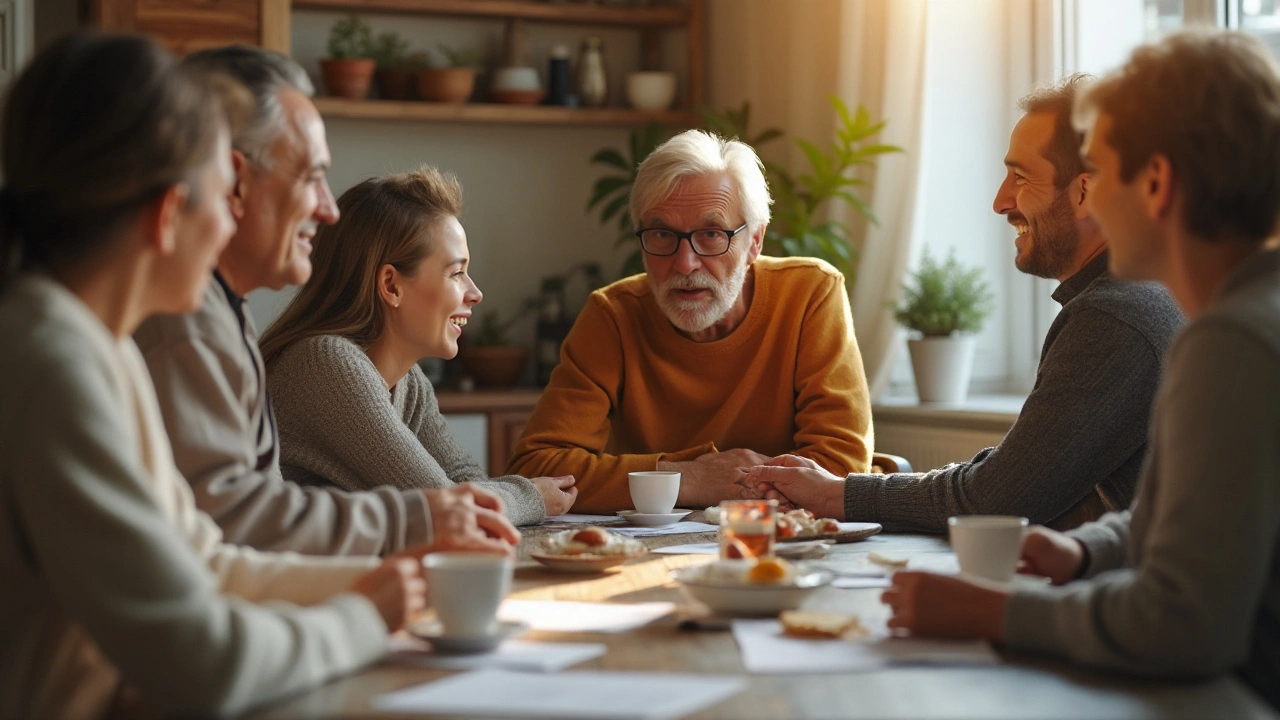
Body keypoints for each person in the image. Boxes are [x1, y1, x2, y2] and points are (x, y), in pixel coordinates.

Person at [0, 33, 429, 718]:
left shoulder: (96, 345)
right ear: (170, 213)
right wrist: (364, 615)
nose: (230, 218)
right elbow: (205, 663)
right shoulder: (53, 361)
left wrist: (391, 581)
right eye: (223, 195)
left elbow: (205, 561)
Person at [882, 31, 1280, 708]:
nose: (1088, 195)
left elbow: (1182, 625)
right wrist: (1089, 552)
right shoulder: (1245, 315)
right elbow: (1196, 514)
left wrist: (992, 614)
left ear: (1155, 183)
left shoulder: (1233, 342)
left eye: (1098, 170)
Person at [745, 76, 1182, 532]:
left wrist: (837, 493)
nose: (999, 201)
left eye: (1021, 176)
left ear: (1084, 193)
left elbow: (997, 499)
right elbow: (1014, 474)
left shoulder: (1115, 317)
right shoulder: (1144, 294)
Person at [134, 45, 519, 556]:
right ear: (233, 182)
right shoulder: (206, 329)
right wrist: (519, 496)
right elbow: (239, 529)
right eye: (311, 177)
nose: (327, 209)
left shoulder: (225, 316)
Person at [507, 129, 874, 513]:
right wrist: (690, 479)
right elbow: (538, 472)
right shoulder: (612, 315)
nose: (684, 264)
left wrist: (710, 484)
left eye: (712, 234)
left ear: (754, 242)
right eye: (663, 234)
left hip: (784, 540)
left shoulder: (810, 293)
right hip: (651, 548)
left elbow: (840, 468)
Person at [258, 167, 577, 525]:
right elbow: (443, 505)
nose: (475, 293)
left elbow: (467, 485)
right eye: (456, 273)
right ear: (391, 285)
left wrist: (495, 499)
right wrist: (529, 495)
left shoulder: (409, 381)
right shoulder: (324, 364)